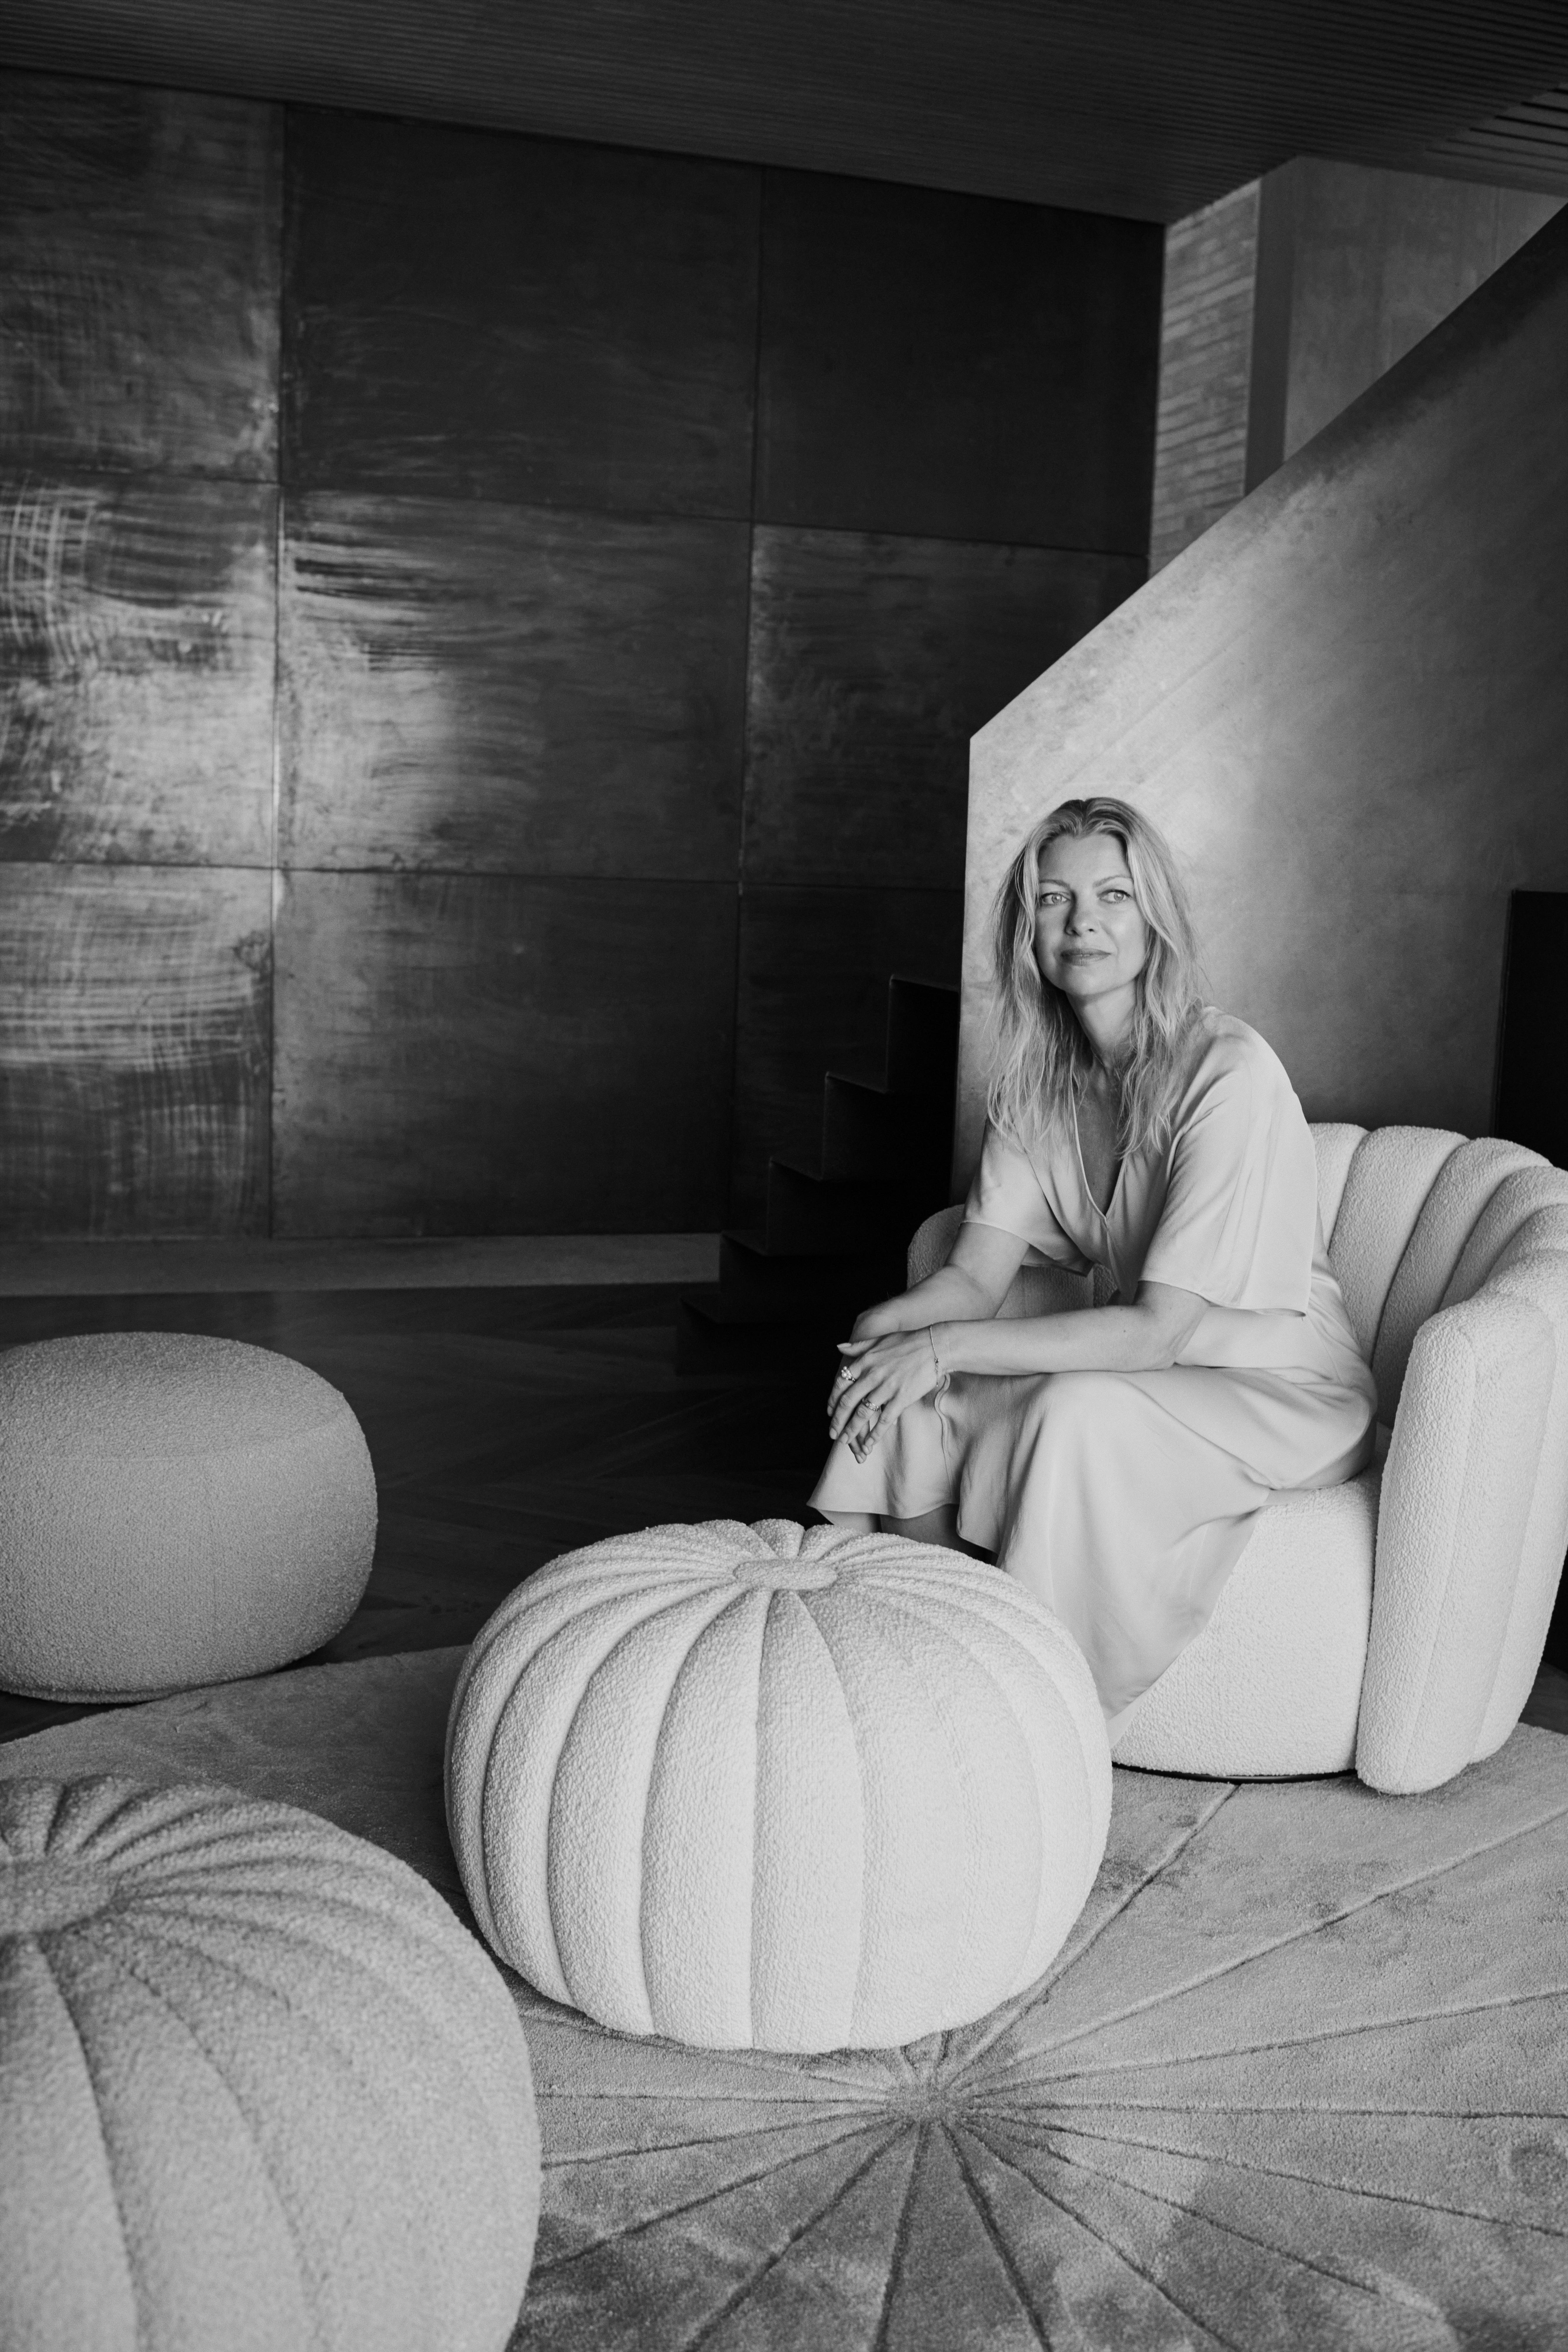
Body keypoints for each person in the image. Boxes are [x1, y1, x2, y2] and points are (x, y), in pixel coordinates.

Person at [810, 795, 1377, 1736]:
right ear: (1025, 926)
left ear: (1154, 916)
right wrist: (888, 1336)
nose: (1082, 923)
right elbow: (973, 1282)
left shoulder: (1227, 1072)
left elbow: (1160, 1330)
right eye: (1053, 898)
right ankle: (933, 1653)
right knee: (907, 1390)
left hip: (1278, 1389)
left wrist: (946, 1349)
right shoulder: (1035, 1086)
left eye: (1113, 895)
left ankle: (1040, 1724)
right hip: (1152, 1368)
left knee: (1074, 1411)